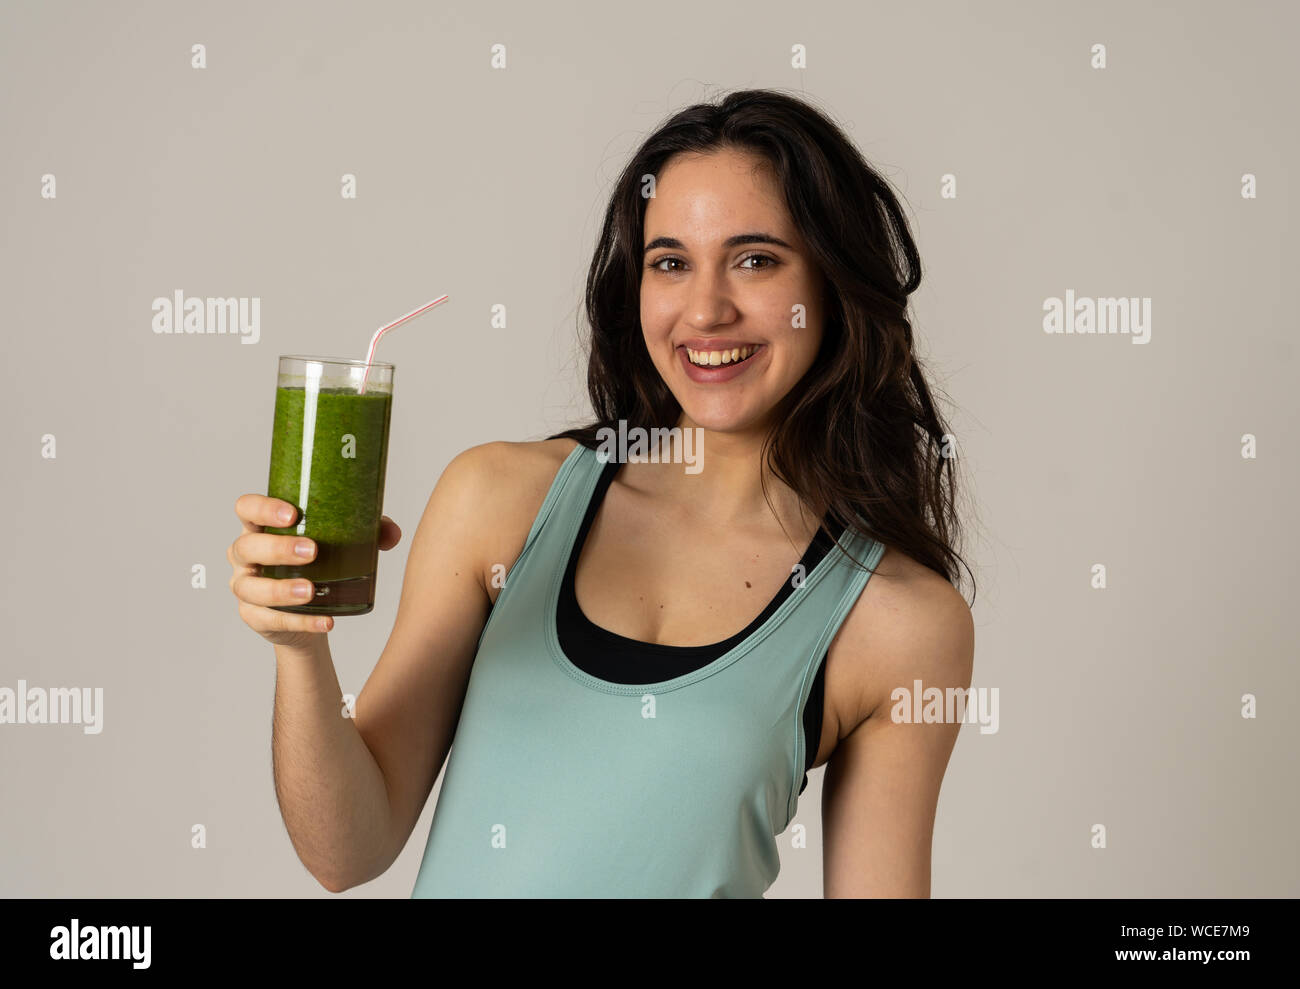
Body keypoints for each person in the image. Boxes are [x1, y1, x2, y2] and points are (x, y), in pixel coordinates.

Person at [228, 88, 975, 898]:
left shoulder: (898, 623)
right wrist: (301, 650)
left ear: (831, 283)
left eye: (756, 259)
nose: (706, 309)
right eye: (670, 262)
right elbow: (346, 852)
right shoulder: (501, 501)